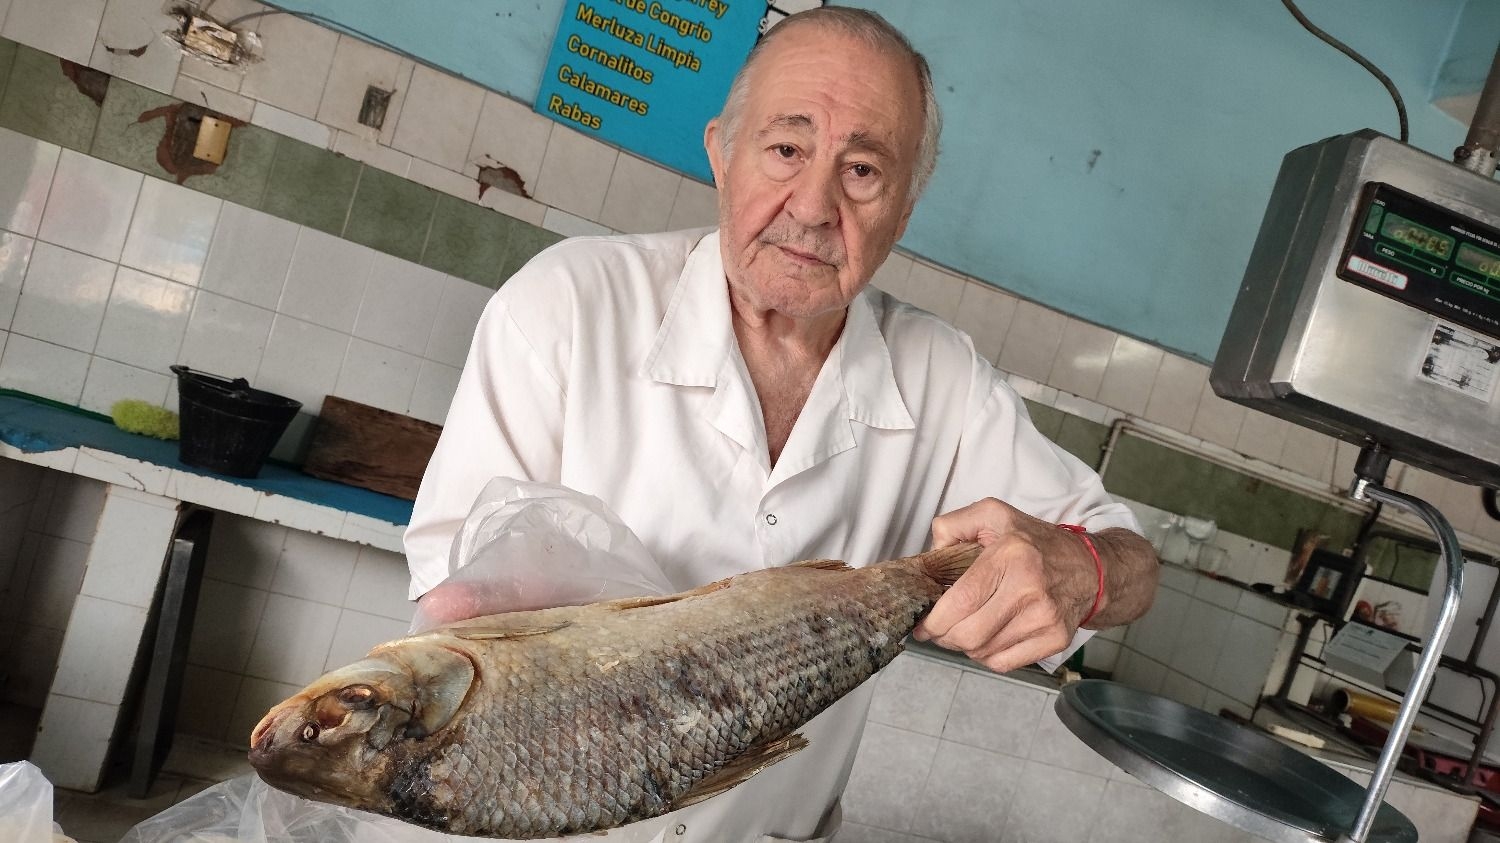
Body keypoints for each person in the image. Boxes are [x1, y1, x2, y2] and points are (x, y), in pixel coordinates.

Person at [404, 7, 1158, 841]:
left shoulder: (944, 381)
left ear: (904, 210)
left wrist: (1081, 568)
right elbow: (450, 605)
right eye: (787, 148)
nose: (814, 204)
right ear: (723, 154)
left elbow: (1128, 555)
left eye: (864, 170)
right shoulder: (568, 304)